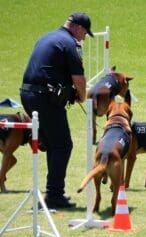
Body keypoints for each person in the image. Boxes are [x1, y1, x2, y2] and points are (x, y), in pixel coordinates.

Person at [20, 12, 94, 208]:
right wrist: (82, 95)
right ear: (77, 27)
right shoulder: (69, 44)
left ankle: (52, 192)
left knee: (53, 144)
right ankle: (54, 195)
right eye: (85, 33)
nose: (84, 38)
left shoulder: (47, 37)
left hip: (27, 94)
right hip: (45, 98)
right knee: (63, 145)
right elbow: (79, 79)